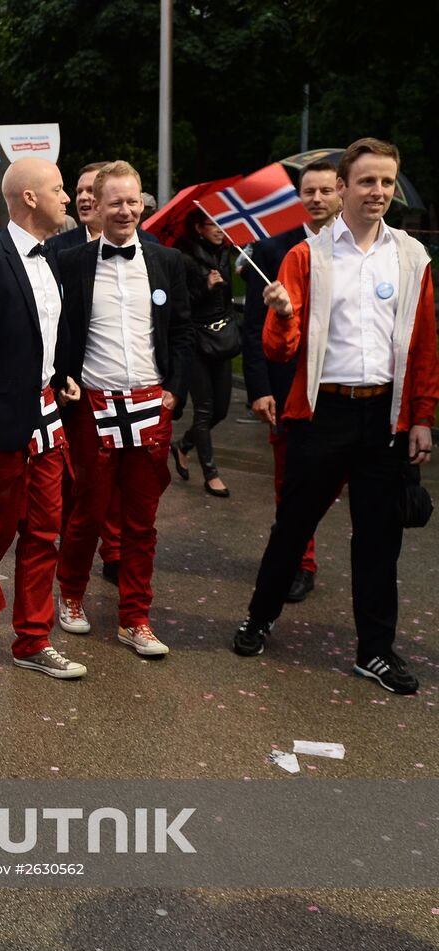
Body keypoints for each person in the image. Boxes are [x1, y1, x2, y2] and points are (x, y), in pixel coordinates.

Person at [232, 138, 437, 696]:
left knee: (379, 541)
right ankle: (259, 616)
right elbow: (280, 350)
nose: (379, 193)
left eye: (387, 183)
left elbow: (423, 345)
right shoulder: (308, 256)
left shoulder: (412, 258)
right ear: (343, 189)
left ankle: (374, 652)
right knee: (293, 527)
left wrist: (421, 416)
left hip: (385, 420)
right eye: (368, 181)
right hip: (322, 414)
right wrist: (280, 316)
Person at [0, 158, 86, 680]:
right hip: (1, 427)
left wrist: (64, 373)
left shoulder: (51, 259)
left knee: (45, 534)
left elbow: (50, 333)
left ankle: (33, 640)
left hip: (49, 417)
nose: (67, 197)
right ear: (29, 197)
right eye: (58, 188)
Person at [53, 160, 194, 659]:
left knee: (141, 520)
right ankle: (70, 594)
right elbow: (55, 332)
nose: (126, 210)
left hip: (150, 404)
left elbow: (181, 331)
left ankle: (135, 618)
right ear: (97, 204)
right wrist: (60, 381)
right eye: (116, 202)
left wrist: (175, 388)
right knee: (87, 513)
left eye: (133, 201)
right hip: (94, 403)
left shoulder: (167, 262)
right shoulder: (69, 262)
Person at [241, 160, 342, 603]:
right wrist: (260, 388)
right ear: (297, 197)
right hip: (286, 388)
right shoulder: (271, 251)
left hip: (344, 388)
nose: (316, 198)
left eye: (324, 190)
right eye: (308, 191)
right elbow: (251, 326)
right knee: (293, 480)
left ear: (340, 193)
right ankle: (300, 561)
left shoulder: (360, 249)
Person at [170, 212, 236, 497]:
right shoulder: (183, 258)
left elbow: (229, 295)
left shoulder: (224, 254)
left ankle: (183, 445)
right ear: (199, 227)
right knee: (205, 409)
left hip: (221, 338)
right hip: (197, 341)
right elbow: (181, 303)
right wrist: (205, 286)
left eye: (223, 225)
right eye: (213, 225)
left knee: (220, 410)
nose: (220, 230)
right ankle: (211, 473)